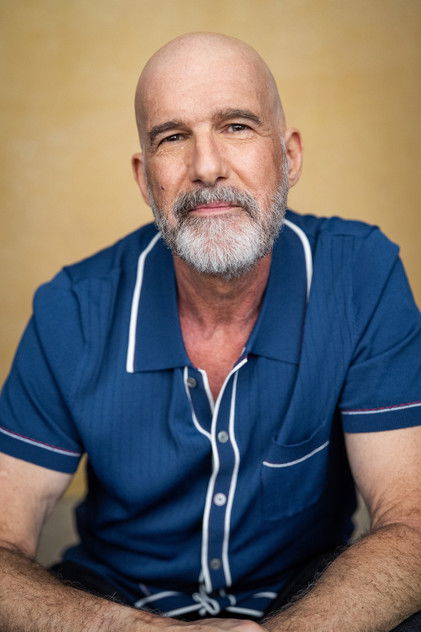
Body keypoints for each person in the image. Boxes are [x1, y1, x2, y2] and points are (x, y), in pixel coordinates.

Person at [0, 32, 420, 632]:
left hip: (307, 602)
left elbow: (410, 523)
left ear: (290, 156)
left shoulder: (361, 276)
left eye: (237, 126)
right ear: (145, 178)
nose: (206, 167)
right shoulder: (72, 310)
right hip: (118, 605)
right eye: (173, 137)